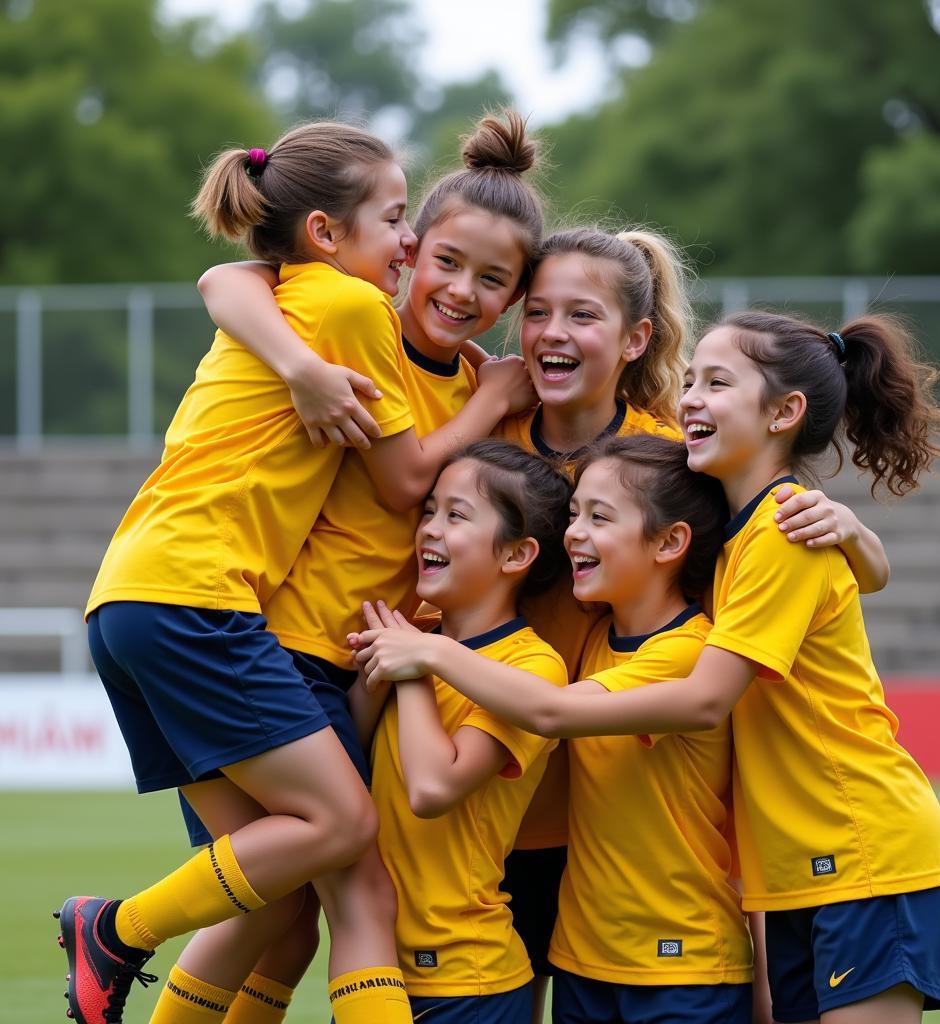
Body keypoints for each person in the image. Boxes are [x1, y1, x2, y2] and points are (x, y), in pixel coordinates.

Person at [360, 310, 940, 1024]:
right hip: (797, 868)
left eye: (718, 382)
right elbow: (859, 579)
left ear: (785, 412)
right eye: (692, 381)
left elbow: (701, 700)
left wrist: (431, 653)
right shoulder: (743, 542)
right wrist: (866, 546)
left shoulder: (782, 531)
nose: (691, 399)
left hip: (861, 846)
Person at [57, 117, 528, 1024]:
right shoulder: (352, 314)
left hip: (145, 598)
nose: (421, 260)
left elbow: (226, 277)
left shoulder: (330, 312)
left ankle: (115, 937)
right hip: (221, 608)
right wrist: (484, 402)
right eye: (410, 234)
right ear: (333, 234)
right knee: (356, 873)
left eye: (494, 279)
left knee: (279, 909)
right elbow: (401, 480)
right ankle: (115, 930)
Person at [495, 226, 892, 1021]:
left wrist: (855, 534)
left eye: (583, 313)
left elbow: (723, 697)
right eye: (537, 311)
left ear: (636, 338)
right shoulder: (486, 442)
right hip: (502, 802)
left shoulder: (678, 465)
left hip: (648, 812)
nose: (554, 333)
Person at [357, 432, 755, 1023]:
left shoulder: (682, 654)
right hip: (580, 963)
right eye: (573, 516)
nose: (574, 534)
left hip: (679, 963)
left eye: (598, 517)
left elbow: (539, 717)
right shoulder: (594, 640)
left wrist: (422, 660)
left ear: (671, 542)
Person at [348, 440, 571, 1024]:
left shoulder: (530, 666)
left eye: (457, 515)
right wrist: (387, 669)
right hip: (368, 970)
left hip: (467, 980)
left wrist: (416, 663)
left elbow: (431, 789)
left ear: (517, 554)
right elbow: (347, 759)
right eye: (429, 510)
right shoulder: (412, 635)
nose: (429, 529)